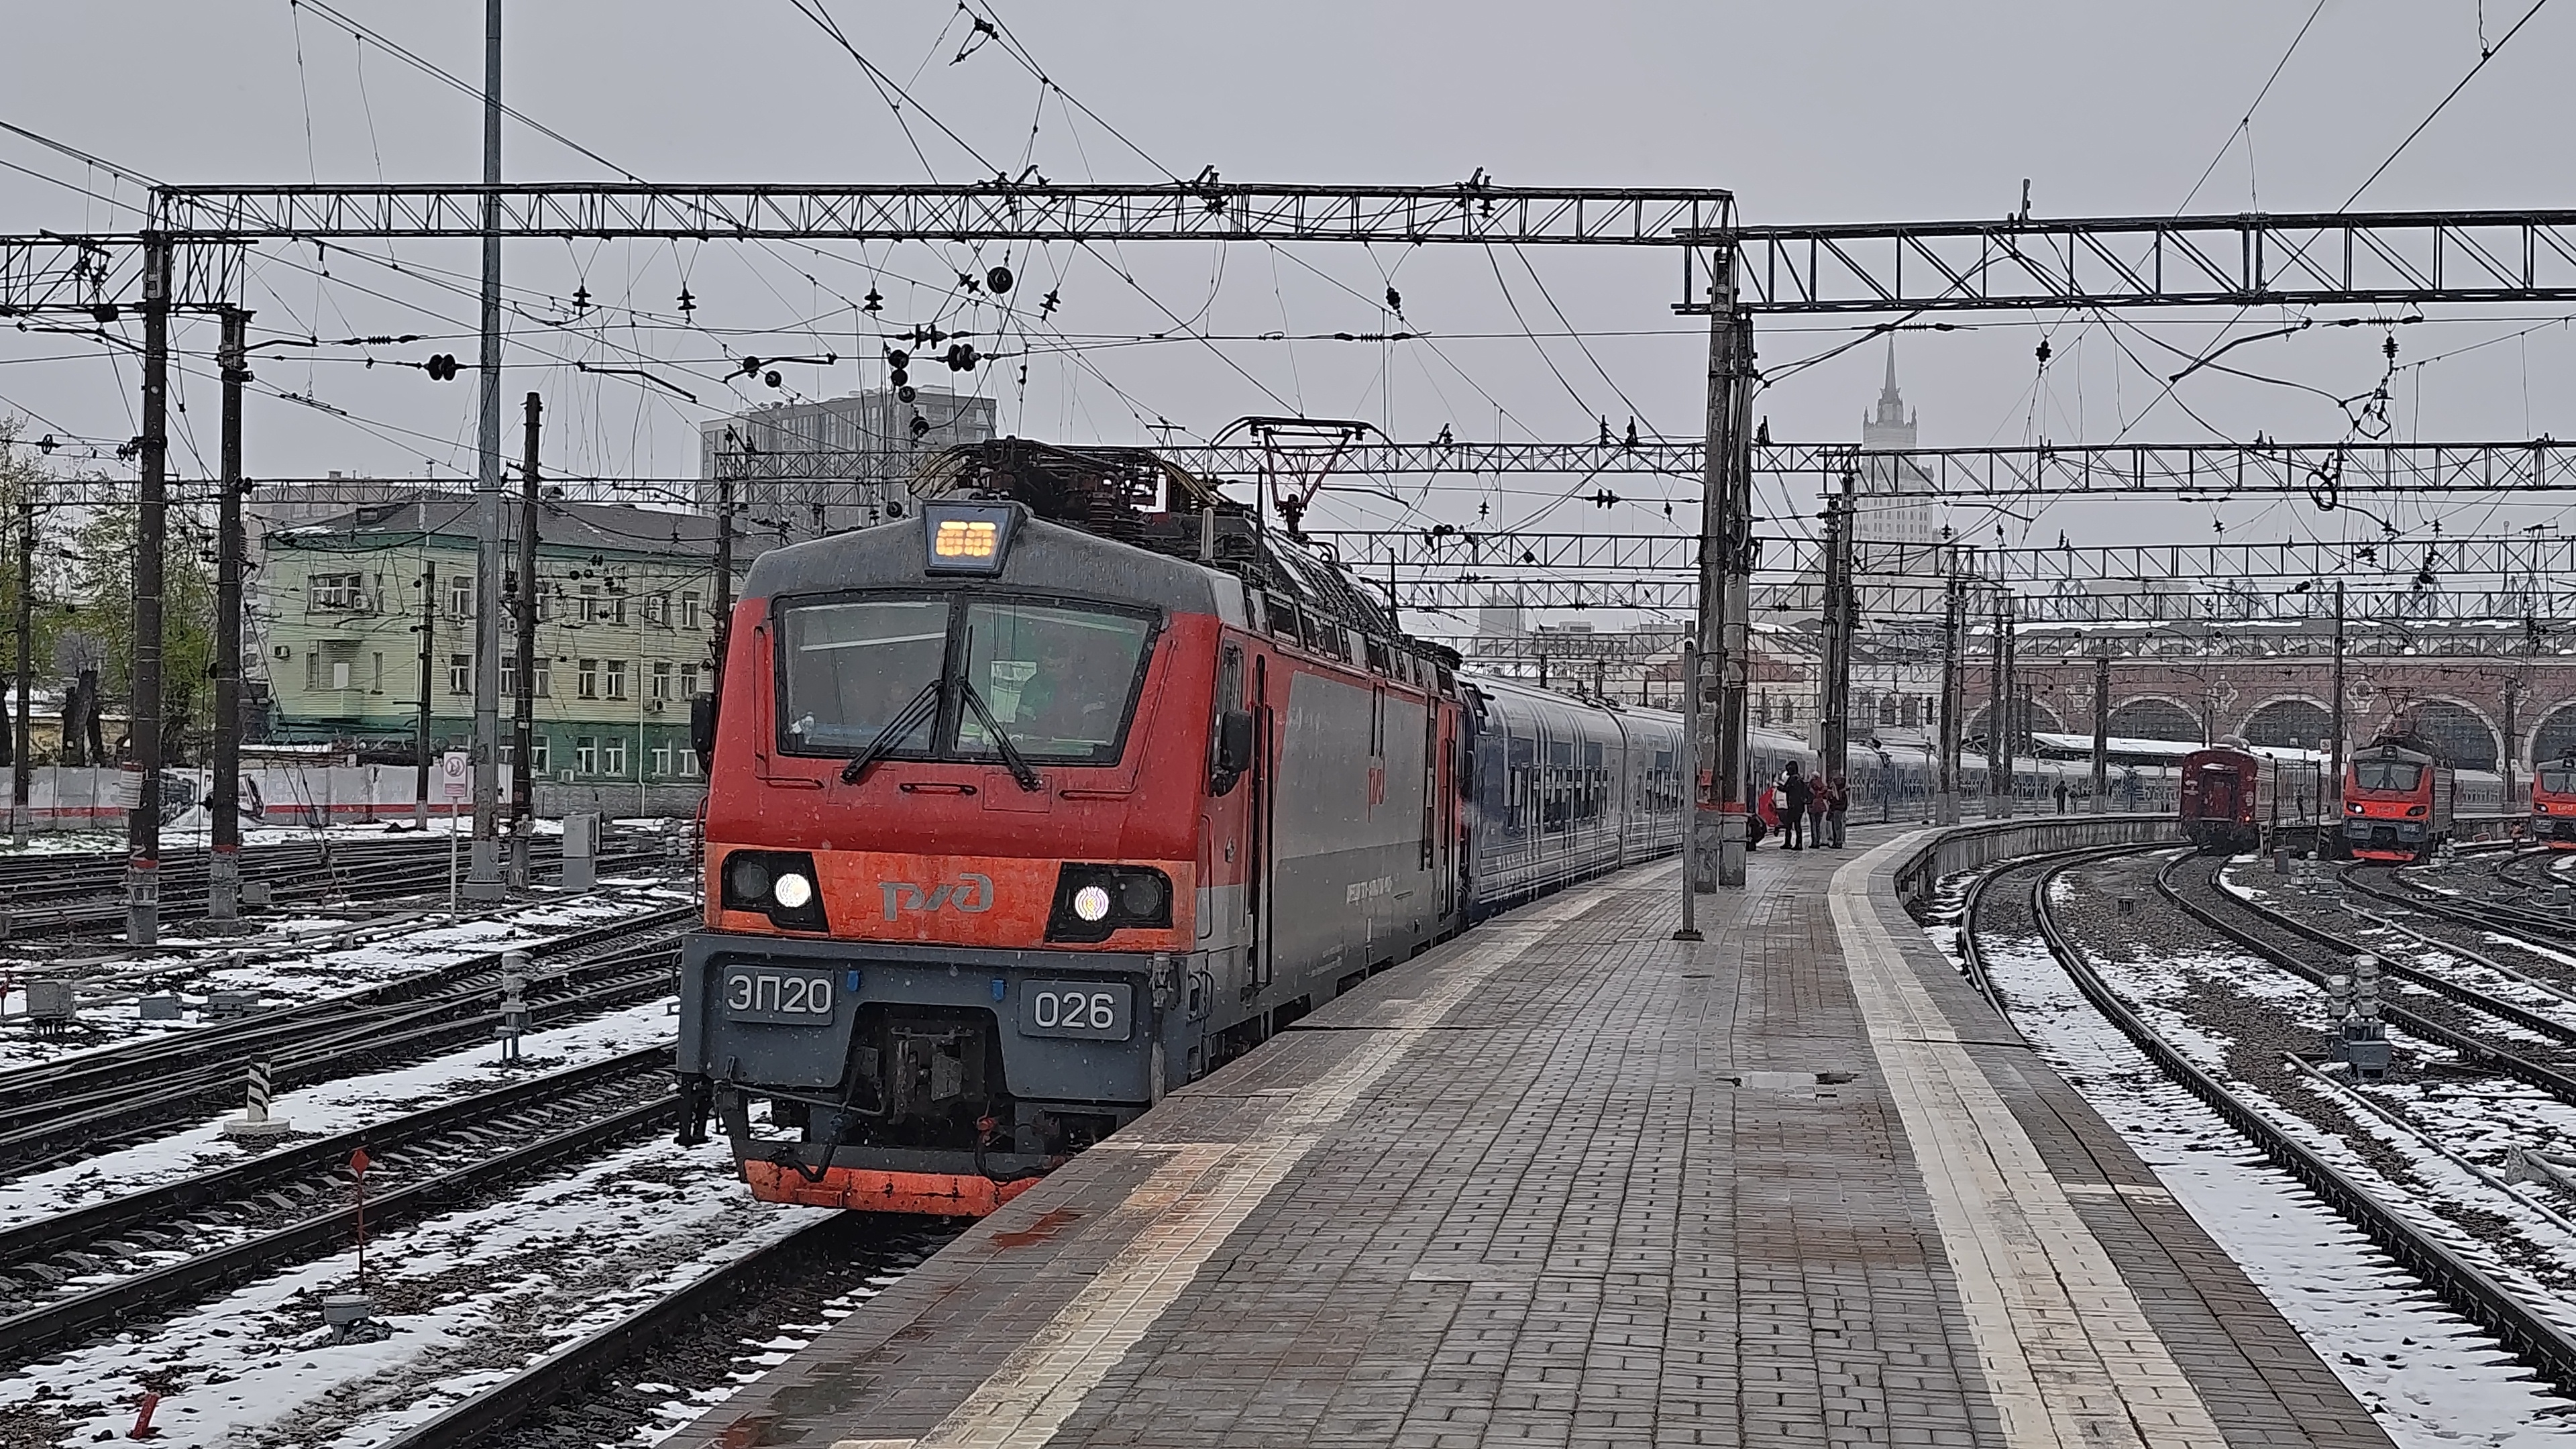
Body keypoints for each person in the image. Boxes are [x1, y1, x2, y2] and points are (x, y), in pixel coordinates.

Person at [1780, 762, 1809, 851]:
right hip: (1800, 806)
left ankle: (1789, 843)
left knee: (1789, 825)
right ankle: (1798, 843)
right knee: (1797, 825)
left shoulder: (1793, 779)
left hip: (1793, 806)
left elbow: (1786, 789)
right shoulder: (1799, 779)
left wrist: (1778, 786)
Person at [1806, 773, 1829, 849]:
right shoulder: (1822, 785)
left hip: (1813, 806)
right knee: (1818, 825)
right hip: (1821, 806)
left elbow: (1809, 794)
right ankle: (1818, 841)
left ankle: (1814, 842)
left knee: (1814, 825)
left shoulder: (1811, 785)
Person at [1827, 773, 1849, 849]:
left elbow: (1837, 801)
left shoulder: (1839, 792)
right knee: (1837, 826)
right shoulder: (1842, 791)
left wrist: (1831, 799)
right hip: (1839, 810)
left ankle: (1838, 842)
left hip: (1837, 810)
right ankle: (1837, 841)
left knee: (1837, 827)